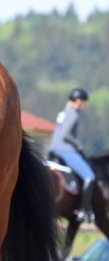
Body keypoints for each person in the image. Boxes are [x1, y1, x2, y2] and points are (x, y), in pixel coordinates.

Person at [48, 88, 95, 222]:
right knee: (89, 177)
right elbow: (65, 135)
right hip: (65, 149)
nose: (84, 105)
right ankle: (84, 210)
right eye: (83, 102)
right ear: (78, 101)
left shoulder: (63, 112)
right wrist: (78, 144)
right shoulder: (73, 114)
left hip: (53, 149)